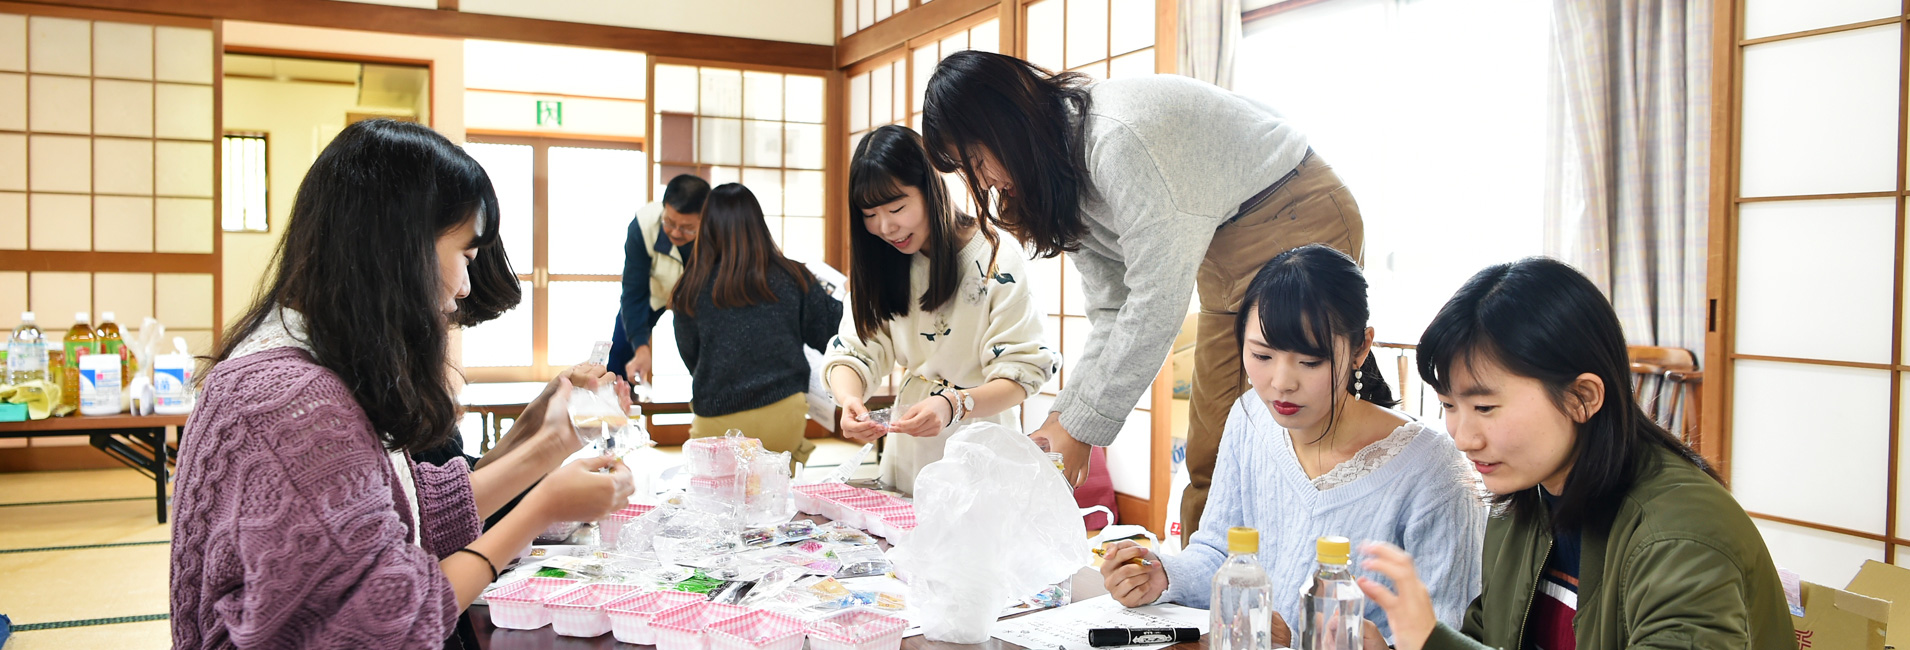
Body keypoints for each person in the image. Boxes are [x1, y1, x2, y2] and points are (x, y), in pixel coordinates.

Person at [171, 120, 636, 649]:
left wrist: (550, 440)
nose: (463, 288)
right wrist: (538, 510)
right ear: (398, 248)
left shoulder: (293, 359)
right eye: (464, 255)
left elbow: (407, 511)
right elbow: (389, 625)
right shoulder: (298, 404)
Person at [921, 51, 1365, 541]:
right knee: (1212, 453)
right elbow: (1113, 310)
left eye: (979, 161)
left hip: (1295, 212)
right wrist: (1065, 420)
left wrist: (1083, 429)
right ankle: (1210, 597)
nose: (983, 182)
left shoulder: (1115, 142)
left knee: (1295, 437)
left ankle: (1308, 589)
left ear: (1005, 125)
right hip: (1224, 249)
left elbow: (1155, 301)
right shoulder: (1061, 173)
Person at [1356, 258, 1791, 649]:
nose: (1464, 437)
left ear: (1582, 397)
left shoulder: (1680, 537)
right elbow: (1487, 637)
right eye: (1449, 406)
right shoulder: (1522, 503)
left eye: (1485, 407)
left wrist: (1434, 645)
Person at [1098, 245, 1483, 643]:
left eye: (1310, 362)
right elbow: (1219, 552)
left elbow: (1448, 629)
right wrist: (1161, 574)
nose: (1281, 382)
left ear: (1361, 348)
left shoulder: (1432, 468)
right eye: (1262, 356)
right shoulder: (1250, 416)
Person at [823, 125, 1059, 495]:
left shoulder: (996, 256)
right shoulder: (883, 261)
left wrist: (954, 403)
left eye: (897, 207)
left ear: (930, 188)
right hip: (909, 445)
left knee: (976, 544)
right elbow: (855, 351)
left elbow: (1022, 373)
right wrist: (849, 400)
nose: (885, 227)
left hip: (982, 437)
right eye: (869, 214)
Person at [672, 183, 842, 465]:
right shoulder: (793, 276)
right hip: (783, 413)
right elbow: (827, 331)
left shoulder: (690, 287)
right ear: (757, 224)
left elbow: (691, 355)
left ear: (707, 227)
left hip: (716, 417)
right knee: (773, 500)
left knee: (715, 500)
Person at [611, 173, 711, 384]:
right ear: (664, 206)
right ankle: (618, 404)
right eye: (669, 221)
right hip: (652, 293)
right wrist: (641, 346)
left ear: (705, 218)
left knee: (708, 354)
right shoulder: (643, 225)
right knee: (622, 346)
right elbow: (633, 291)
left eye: (686, 227)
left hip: (699, 298)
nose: (675, 232)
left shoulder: (718, 231)